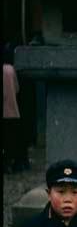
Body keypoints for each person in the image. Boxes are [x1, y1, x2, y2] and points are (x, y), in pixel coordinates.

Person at [3, 42, 30, 172]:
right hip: (13, 110)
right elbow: (17, 88)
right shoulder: (11, 70)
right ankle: (16, 163)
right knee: (14, 139)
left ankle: (7, 163)